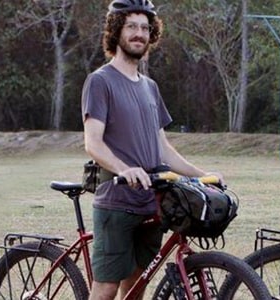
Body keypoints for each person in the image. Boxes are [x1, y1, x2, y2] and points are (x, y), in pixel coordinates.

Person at [81, 1, 221, 299]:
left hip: (152, 202)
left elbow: (163, 148)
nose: (139, 33)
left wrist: (202, 175)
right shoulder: (100, 81)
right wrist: (125, 168)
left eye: (145, 28)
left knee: (136, 285)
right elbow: (93, 142)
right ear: (116, 30)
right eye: (131, 26)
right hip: (116, 202)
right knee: (106, 288)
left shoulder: (150, 87)